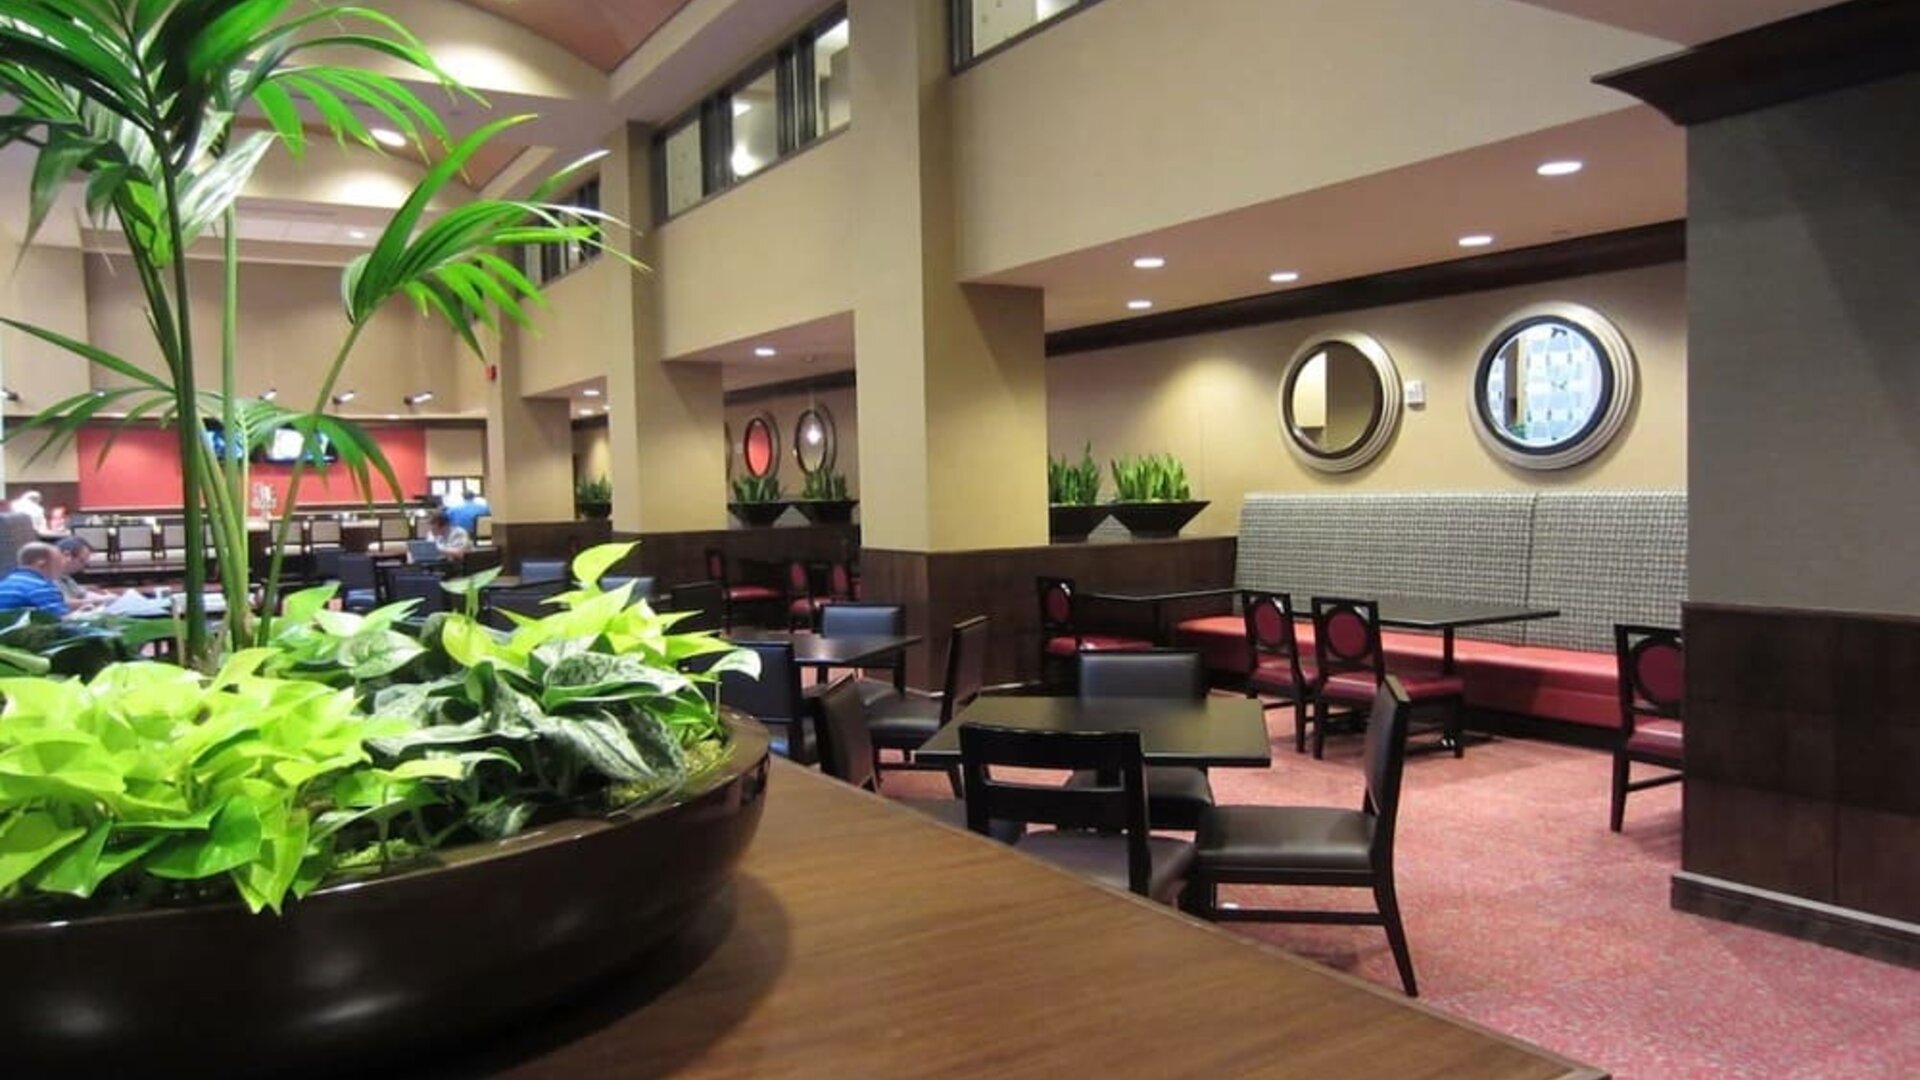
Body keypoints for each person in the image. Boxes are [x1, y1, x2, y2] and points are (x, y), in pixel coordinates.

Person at [0, 541, 70, 617]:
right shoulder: (42, 587)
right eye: (58, 562)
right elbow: (61, 622)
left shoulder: (4, 584)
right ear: (41, 563)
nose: (61, 568)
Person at [53, 536, 115, 611]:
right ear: (67, 555)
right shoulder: (48, 575)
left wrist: (105, 598)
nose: (82, 567)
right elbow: (63, 604)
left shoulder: (64, 575)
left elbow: (82, 594)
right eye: (82, 561)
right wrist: (98, 601)